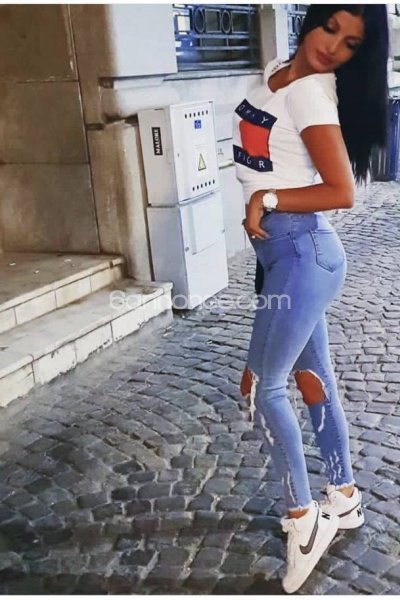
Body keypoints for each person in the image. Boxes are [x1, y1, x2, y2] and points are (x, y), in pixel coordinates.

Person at [232, 5, 389, 594]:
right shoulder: (278, 69)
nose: (333, 46)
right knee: (311, 377)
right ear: (311, 20)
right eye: (330, 27)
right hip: (284, 258)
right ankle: (343, 496)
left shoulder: (310, 95)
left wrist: (267, 199)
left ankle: (304, 520)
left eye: (351, 44)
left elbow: (341, 191)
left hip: (304, 254)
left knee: (262, 386)